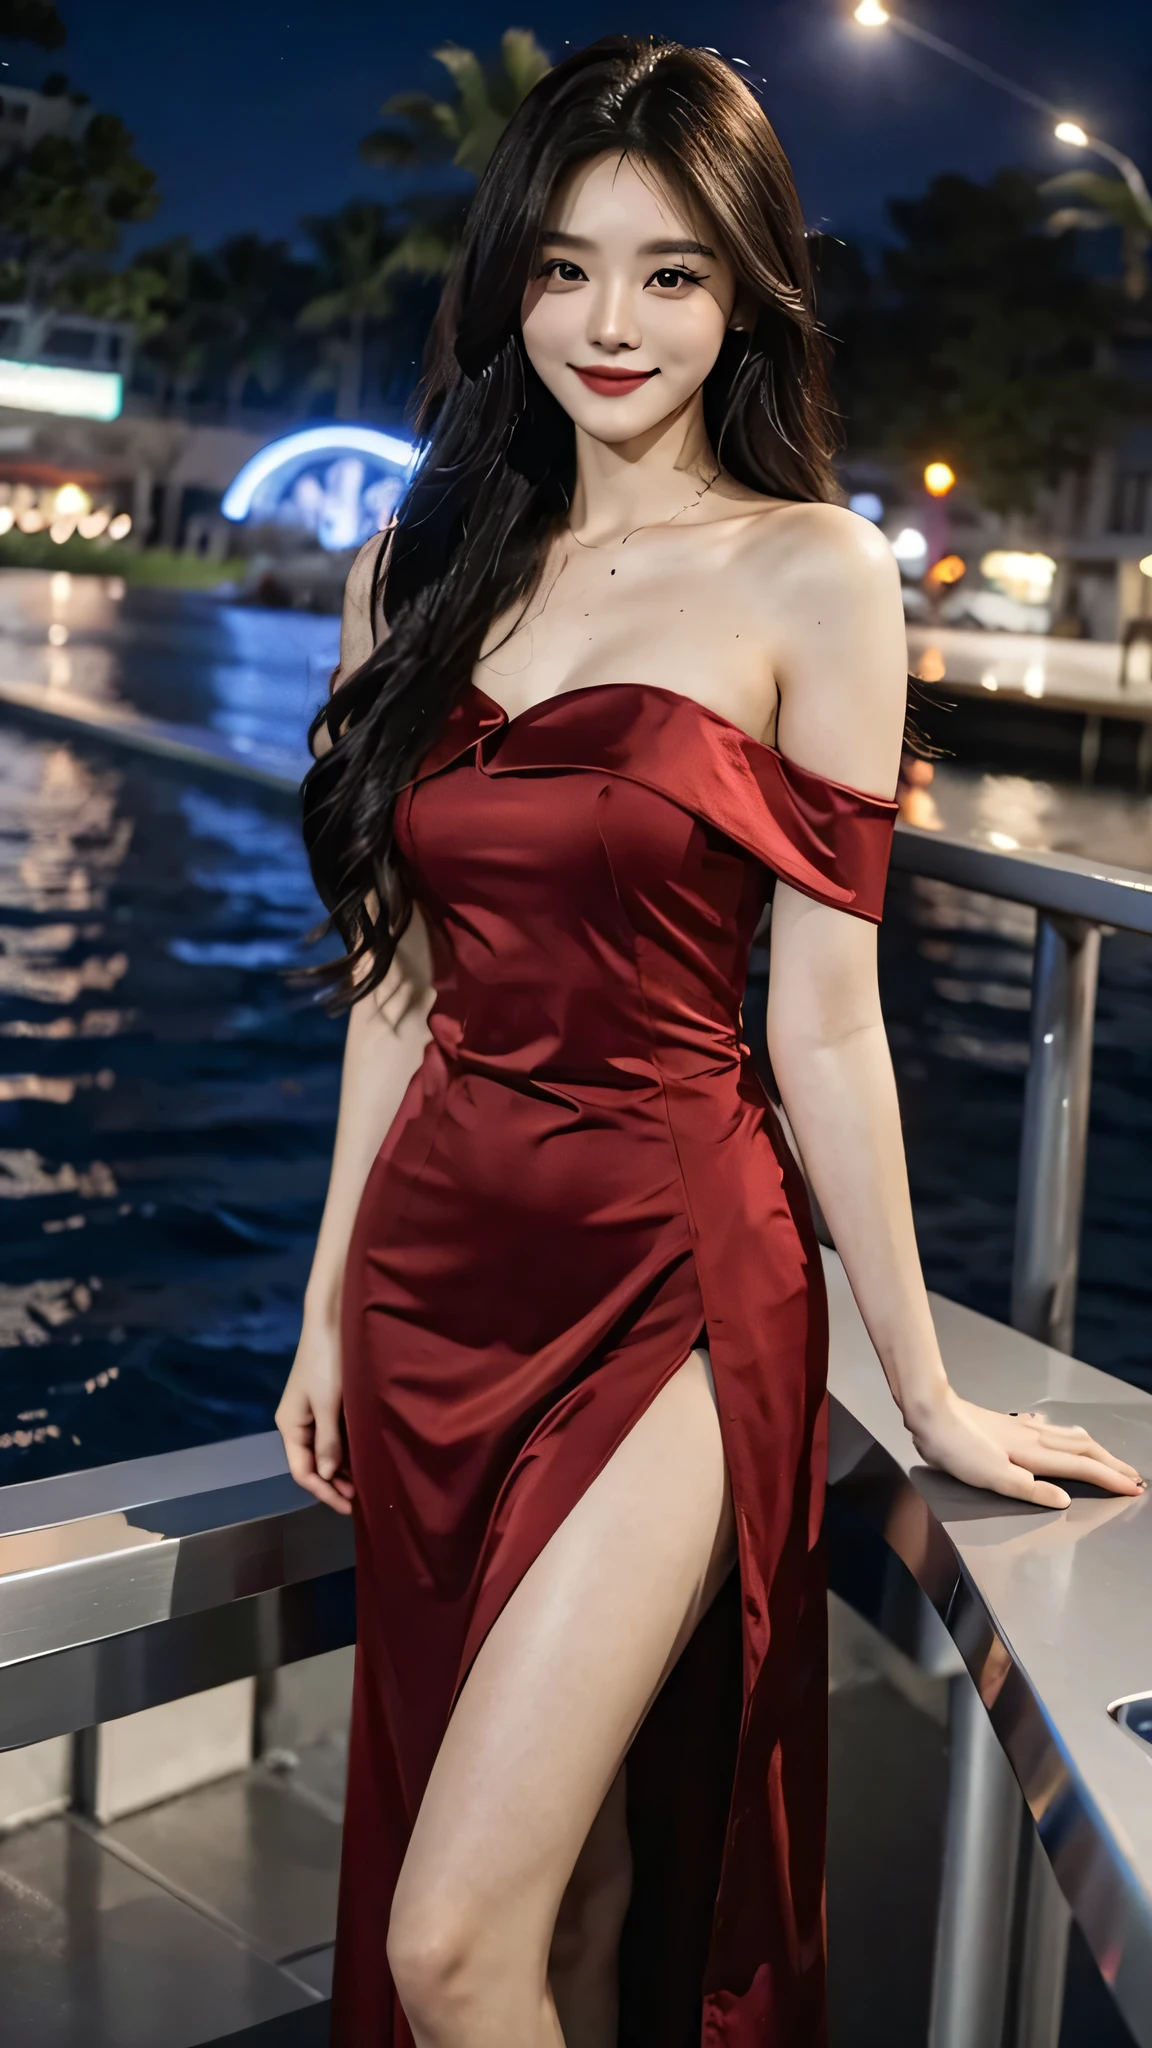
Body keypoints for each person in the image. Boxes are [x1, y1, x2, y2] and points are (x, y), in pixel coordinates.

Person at [276, 37, 1141, 2048]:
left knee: (448, 1939)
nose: (608, 320)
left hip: (675, 1274)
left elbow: (827, 1025)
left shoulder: (812, 570)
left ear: (748, 287)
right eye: (566, 265)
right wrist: (325, 1303)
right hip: (431, 1278)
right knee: (568, 1898)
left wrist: (916, 1383)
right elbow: (399, 980)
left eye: (669, 271)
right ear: (507, 281)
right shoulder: (405, 573)